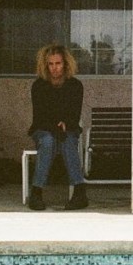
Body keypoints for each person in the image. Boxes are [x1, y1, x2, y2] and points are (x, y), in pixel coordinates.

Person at [27, 43, 88, 211]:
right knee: (48, 141)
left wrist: (64, 124)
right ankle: (36, 193)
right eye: (50, 64)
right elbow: (40, 116)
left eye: (58, 63)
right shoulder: (39, 86)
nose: (54, 68)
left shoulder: (75, 85)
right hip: (43, 129)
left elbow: (74, 115)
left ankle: (79, 193)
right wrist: (56, 126)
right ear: (45, 65)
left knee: (67, 140)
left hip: (68, 128)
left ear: (65, 64)